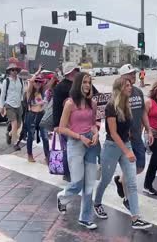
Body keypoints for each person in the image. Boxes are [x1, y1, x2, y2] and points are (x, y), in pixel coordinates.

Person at [93, 77, 153, 230]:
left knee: (132, 183)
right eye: (127, 85)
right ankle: (97, 202)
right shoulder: (111, 106)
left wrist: (142, 134)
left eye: (130, 85)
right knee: (105, 180)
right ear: (120, 88)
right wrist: (127, 151)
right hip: (112, 147)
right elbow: (112, 132)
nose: (130, 87)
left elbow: (129, 126)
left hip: (126, 144)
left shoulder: (127, 104)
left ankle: (135, 218)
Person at [57, 72, 100, 230]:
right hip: (75, 143)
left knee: (89, 183)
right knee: (76, 182)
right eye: (84, 82)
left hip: (91, 144)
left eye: (89, 82)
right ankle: (62, 197)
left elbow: (94, 123)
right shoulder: (70, 104)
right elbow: (61, 128)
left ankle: (85, 217)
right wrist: (80, 137)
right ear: (78, 85)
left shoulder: (92, 103)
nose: (87, 85)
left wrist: (95, 133)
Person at [113, 64, 153, 207]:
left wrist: (148, 129)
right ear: (122, 77)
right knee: (129, 170)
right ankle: (127, 199)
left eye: (134, 73)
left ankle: (120, 181)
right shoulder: (118, 94)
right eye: (130, 74)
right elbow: (114, 116)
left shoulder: (137, 92)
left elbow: (142, 112)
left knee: (140, 166)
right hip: (124, 138)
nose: (133, 76)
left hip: (137, 136)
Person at [53, 62, 98, 181]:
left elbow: (96, 94)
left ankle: (77, 176)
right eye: (75, 70)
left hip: (87, 129)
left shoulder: (85, 85)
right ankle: (69, 174)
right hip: (70, 126)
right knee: (69, 152)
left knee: (88, 169)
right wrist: (56, 125)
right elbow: (56, 106)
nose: (77, 71)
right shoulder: (61, 86)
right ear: (70, 72)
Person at [24, 66, 49, 163]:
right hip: (32, 115)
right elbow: (30, 81)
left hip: (41, 115)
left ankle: (47, 156)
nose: (38, 83)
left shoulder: (42, 92)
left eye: (40, 81)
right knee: (30, 136)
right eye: (36, 81)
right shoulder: (29, 92)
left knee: (45, 137)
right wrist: (37, 72)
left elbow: (50, 84)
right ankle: (30, 155)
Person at [0, 63, 24, 151]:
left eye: (15, 70)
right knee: (14, 124)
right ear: (9, 71)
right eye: (12, 70)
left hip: (18, 105)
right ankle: (15, 143)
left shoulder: (20, 81)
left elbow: (22, 93)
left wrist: (22, 102)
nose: (14, 71)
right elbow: (3, 95)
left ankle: (9, 134)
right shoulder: (6, 81)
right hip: (9, 105)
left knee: (19, 124)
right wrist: (1, 106)